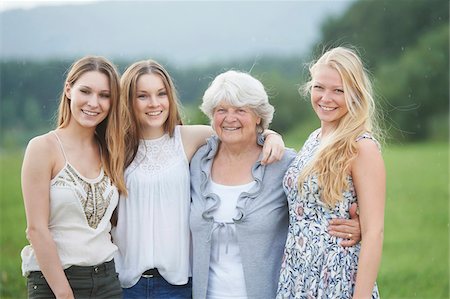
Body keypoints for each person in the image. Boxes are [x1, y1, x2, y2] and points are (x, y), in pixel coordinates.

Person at [110, 60, 285, 299]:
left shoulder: (189, 139)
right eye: (143, 96)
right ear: (128, 100)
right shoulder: (113, 146)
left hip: (178, 285)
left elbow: (237, 130)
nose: (154, 103)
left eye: (161, 94)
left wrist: (272, 136)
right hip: (126, 284)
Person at [189, 70, 362, 299]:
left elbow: (316, 210)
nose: (229, 118)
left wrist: (359, 226)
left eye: (240, 110)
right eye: (221, 110)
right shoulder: (197, 161)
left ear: (258, 116)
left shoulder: (285, 164)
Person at [277, 47, 385, 298]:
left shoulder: (362, 146)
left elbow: (373, 232)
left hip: (336, 276)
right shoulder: (315, 137)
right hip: (297, 272)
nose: (326, 98)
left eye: (338, 90)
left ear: (355, 94)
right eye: (319, 87)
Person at [20, 56, 127, 299]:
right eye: (86, 91)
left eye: (104, 95)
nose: (93, 103)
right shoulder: (43, 148)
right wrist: (64, 293)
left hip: (107, 282)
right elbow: (36, 229)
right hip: (54, 282)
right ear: (69, 89)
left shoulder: (111, 150)